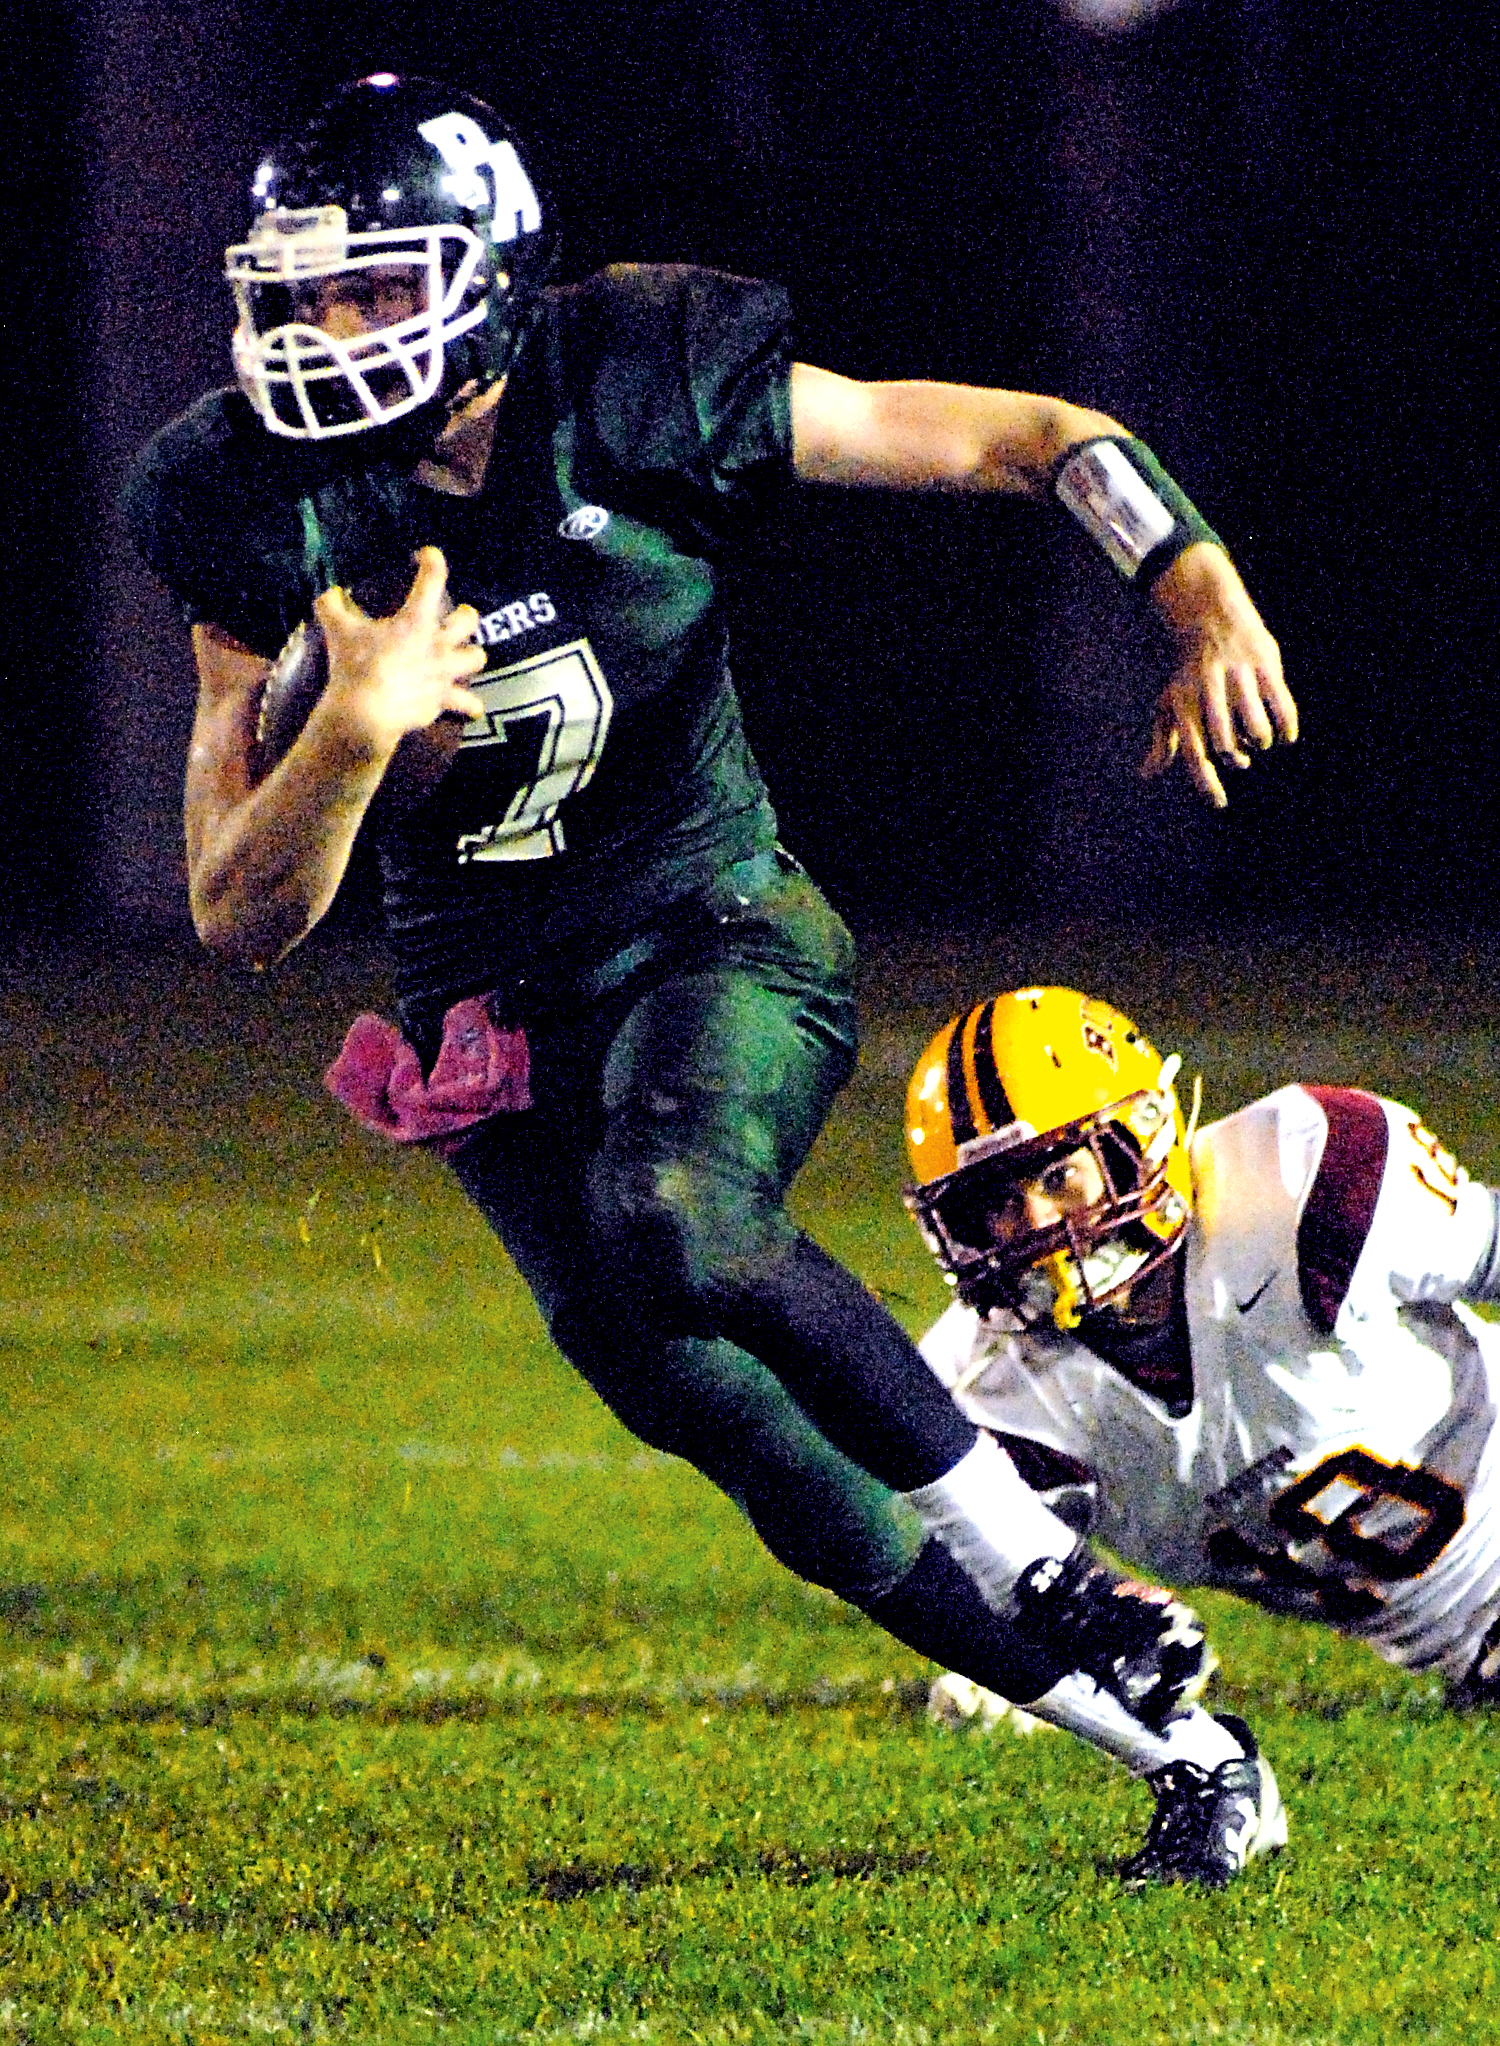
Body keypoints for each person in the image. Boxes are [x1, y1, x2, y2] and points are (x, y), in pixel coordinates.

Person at [122, 74, 1296, 1888]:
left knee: (679, 1213)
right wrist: (350, 737)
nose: (324, 331)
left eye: (373, 287)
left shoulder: (636, 372)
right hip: (488, 1027)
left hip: (711, 928)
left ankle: (1051, 1562)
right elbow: (237, 910)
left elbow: (1031, 435)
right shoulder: (233, 490)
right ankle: (1189, 1751)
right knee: (726, 1426)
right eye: (300, 292)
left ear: (490, 274)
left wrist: (1196, 585)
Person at [904, 985, 1500, 1774]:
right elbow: (1006, 1589)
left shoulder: (1308, 1178)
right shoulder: (983, 1393)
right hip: (1464, 1646)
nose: (1038, 1226)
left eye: (1058, 1178)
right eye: (996, 1207)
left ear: (1139, 1138)